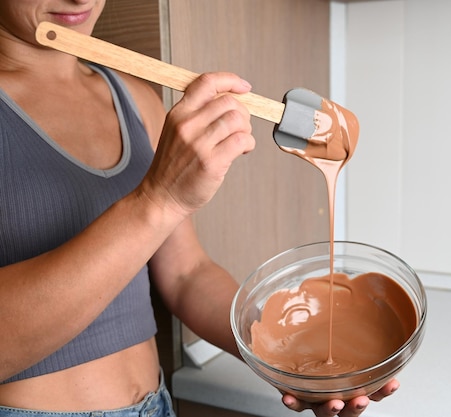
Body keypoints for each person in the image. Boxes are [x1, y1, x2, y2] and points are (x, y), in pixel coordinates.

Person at [0, 1, 399, 417]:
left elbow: (187, 274)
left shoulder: (136, 99)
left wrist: (290, 357)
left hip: (156, 405)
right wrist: (159, 199)